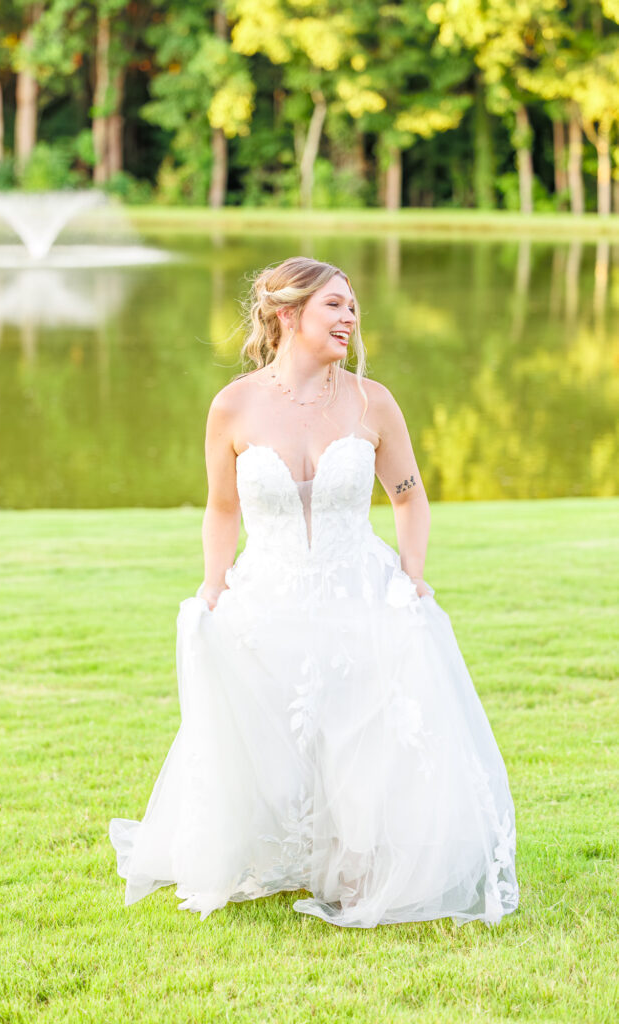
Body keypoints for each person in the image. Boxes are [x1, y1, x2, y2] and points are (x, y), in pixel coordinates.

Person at [109, 256, 519, 929]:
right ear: (288, 314)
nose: (350, 319)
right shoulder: (233, 406)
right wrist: (214, 584)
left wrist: (411, 578)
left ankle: (358, 865)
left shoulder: (371, 400)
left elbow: (409, 499)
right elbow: (221, 509)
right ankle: (285, 852)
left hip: (357, 584)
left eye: (353, 307)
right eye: (335, 306)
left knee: (361, 729)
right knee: (271, 732)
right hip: (267, 589)